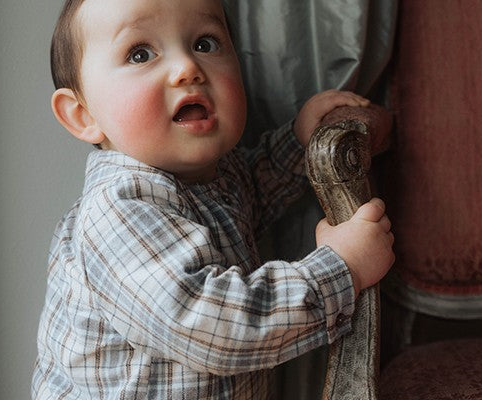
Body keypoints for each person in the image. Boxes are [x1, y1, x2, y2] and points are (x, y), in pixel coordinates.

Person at [32, 0, 394, 398]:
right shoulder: (120, 210)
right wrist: (341, 270)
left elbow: (252, 191)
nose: (188, 68)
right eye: (140, 54)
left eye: (205, 43)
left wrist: (298, 141)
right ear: (83, 115)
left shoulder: (213, 176)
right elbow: (210, 324)